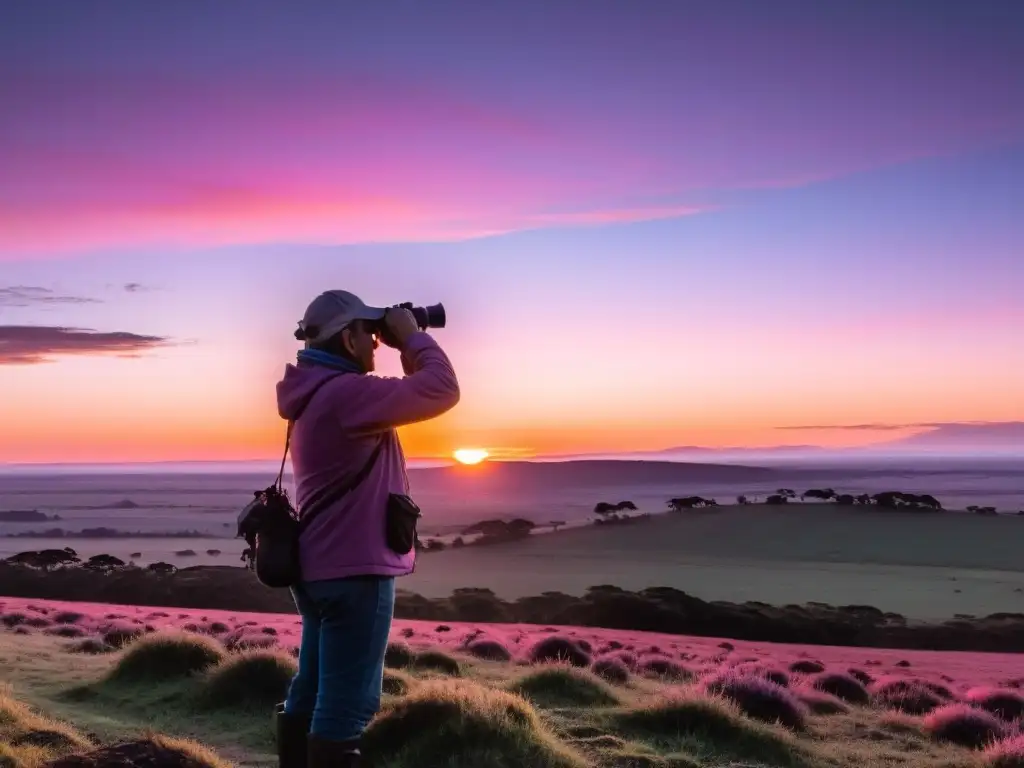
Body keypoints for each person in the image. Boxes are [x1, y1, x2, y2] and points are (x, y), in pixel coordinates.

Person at [273, 289, 460, 768]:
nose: (377, 346)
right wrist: (412, 339)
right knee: (346, 708)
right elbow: (441, 390)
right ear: (349, 338)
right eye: (370, 335)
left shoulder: (312, 394)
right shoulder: (347, 394)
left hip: (317, 570)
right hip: (355, 572)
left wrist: (401, 340)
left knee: (311, 690)